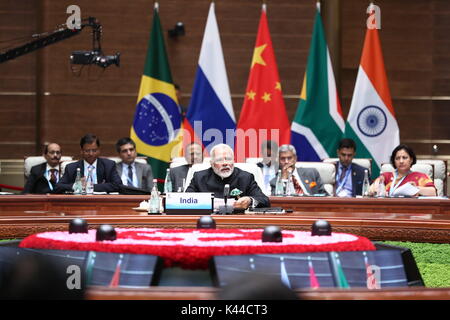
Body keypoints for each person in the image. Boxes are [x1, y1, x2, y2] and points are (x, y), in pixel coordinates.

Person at [185, 143, 270, 209]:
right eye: (219, 160)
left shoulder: (246, 177)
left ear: (234, 161)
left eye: (228, 159)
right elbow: (185, 200)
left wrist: (250, 200)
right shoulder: (199, 177)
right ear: (212, 164)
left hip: (237, 220)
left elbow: (264, 200)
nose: (225, 163)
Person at [55, 134, 122, 193]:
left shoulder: (109, 165)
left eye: (94, 150)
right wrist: (77, 186)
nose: (91, 154)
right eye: (87, 151)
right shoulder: (71, 168)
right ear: (81, 151)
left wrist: (89, 186)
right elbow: (59, 186)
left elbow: (118, 185)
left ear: (99, 150)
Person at [369, 144, 436, 197]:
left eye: (404, 158)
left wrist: (416, 188)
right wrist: (376, 189)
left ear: (411, 160)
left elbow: (433, 192)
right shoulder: (386, 176)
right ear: (394, 161)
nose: (401, 161)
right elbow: (371, 189)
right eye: (397, 158)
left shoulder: (420, 177)